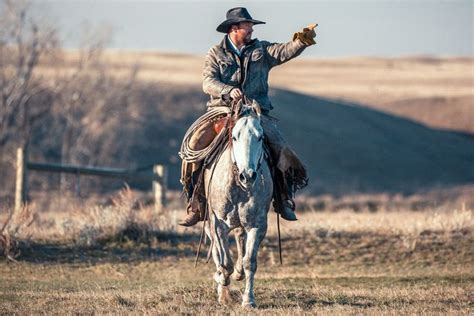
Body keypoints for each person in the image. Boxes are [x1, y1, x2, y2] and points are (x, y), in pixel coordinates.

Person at [179, 7, 316, 226]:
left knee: (280, 147)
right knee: (193, 148)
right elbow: (208, 82)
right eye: (248, 26)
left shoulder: (262, 49)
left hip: (256, 112)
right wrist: (227, 90)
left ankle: (283, 199)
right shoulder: (216, 53)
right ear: (234, 29)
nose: (251, 30)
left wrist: (301, 42)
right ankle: (196, 204)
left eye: (251, 26)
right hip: (221, 111)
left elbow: (284, 51)